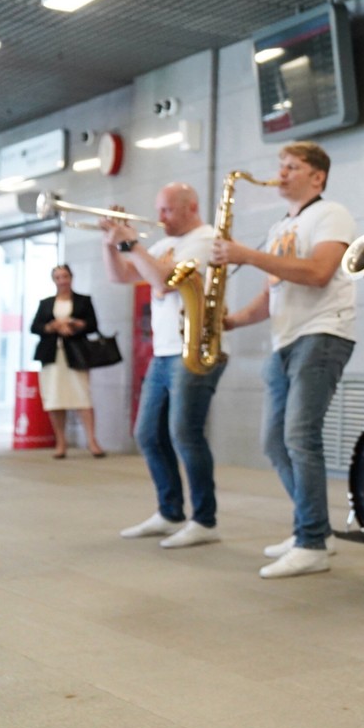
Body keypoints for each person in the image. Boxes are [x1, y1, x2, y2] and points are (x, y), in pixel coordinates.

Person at [217, 142, 357, 579]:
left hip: (322, 333)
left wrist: (246, 254)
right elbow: (272, 291)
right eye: (280, 166)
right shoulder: (281, 226)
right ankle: (311, 529)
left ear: (317, 177)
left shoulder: (331, 214)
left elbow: (318, 273)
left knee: (300, 436)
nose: (281, 174)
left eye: (292, 167)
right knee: (275, 442)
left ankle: (312, 541)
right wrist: (233, 321)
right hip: (285, 340)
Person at [101, 183, 226, 549]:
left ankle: (205, 520)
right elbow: (121, 276)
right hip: (165, 350)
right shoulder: (161, 245)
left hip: (197, 348)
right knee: (148, 434)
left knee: (185, 433)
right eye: (158, 209)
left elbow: (161, 280)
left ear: (192, 206)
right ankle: (169, 512)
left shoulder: (205, 240)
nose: (159, 218)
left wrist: (129, 243)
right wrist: (110, 241)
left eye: (167, 211)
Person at [31, 264, 107, 458]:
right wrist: (53, 326)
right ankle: (61, 443)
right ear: (54, 280)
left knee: (82, 396)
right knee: (55, 398)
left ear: (71, 277)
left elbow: (93, 325)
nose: (62, 280)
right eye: (58, 277)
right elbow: (35, 326)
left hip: (76, 354)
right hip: (52, 355)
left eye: (65, 276)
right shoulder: (46, 303)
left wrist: (75, 325)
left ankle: (92, 441)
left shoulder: (83, 300)